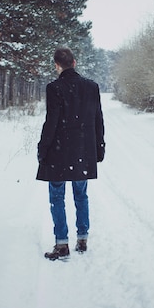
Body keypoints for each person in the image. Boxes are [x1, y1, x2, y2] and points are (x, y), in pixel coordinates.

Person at [36, 48, 105, 261]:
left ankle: (62, 244)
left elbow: (52, 121)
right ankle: (82, 238)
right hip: (83, 151)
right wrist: (99, 147)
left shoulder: (54, 88)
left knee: (57, 196)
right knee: (81, 194)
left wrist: (43, 148)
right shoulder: (92, 87)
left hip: (59, 151)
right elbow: (98, 119)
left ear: (57, 65)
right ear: (74, 62)